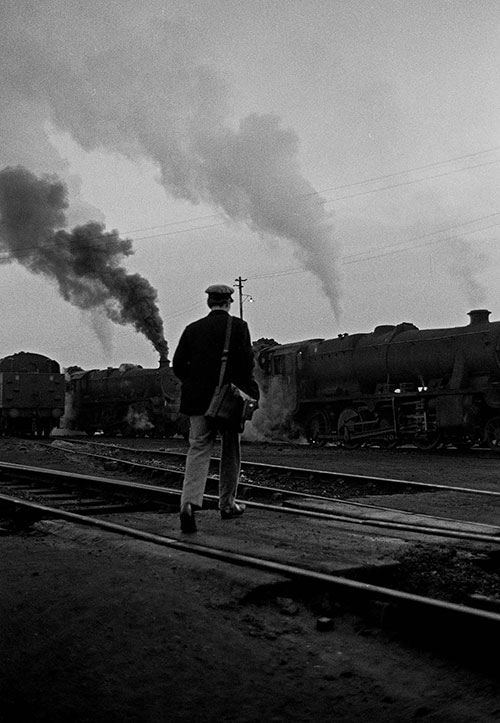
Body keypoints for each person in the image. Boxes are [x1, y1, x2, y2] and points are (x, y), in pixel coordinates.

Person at [172, 284, 260, 533]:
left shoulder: (192, 329)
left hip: (197, 402)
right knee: (230, 448)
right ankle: (227, 504)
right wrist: (252, 393)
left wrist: (195, 383)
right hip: (228, 400)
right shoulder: (238, 327)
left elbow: (179, 365)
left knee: (198, 448)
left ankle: (188, 504)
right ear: (229, 302)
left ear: (209, 302)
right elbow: (246, 365)